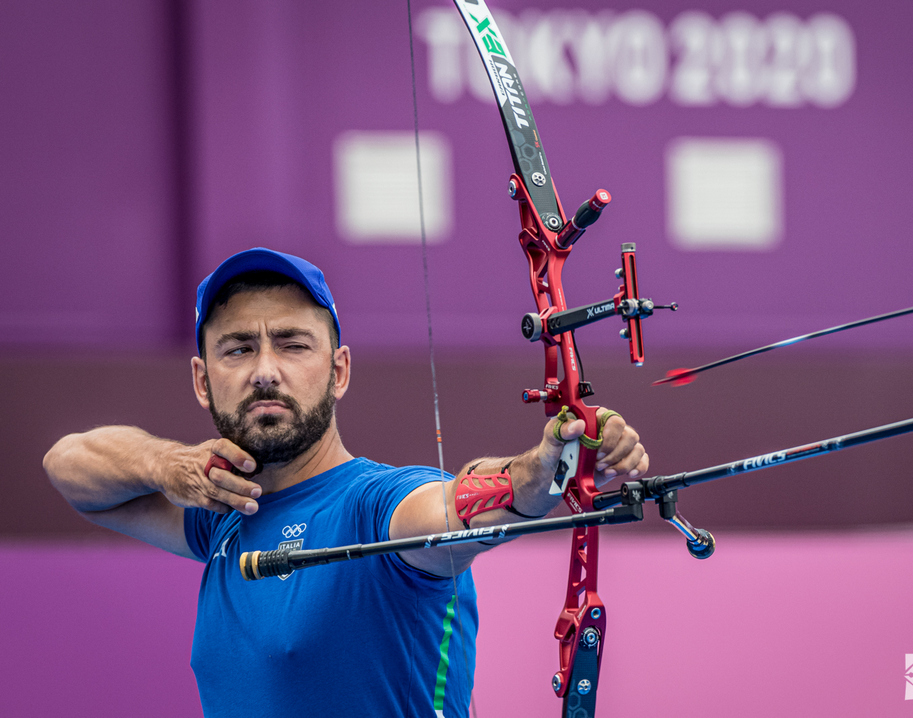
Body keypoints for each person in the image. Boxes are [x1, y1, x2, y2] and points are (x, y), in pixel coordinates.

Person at [43, 247, 648, 718]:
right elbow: (68, 466)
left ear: (339, 371)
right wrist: (164, 466)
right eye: (237, 349)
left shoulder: (374, 504)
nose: (265, 371)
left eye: (292, 344)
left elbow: (459, 506)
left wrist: (543, 470)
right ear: (203, 380)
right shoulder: (220, 514)